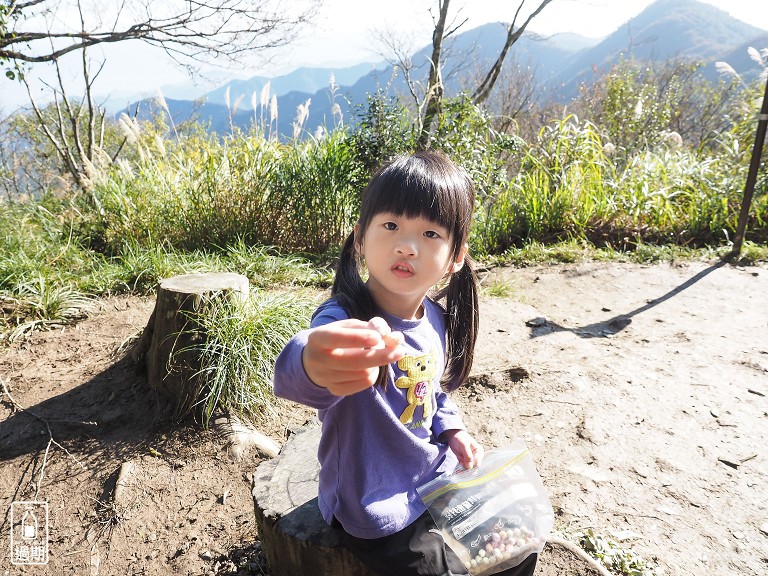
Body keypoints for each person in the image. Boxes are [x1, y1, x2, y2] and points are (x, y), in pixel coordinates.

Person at [273, 150, 537, 576]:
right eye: (391, 225)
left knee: (516, 544)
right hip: (377, 503)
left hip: (435, 474)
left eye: (431, 233)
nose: (407, 245)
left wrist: (451, 428)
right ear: (361, 237)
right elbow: (296, 369)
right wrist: (311, 362)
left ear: (455, 257)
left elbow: (433, 390)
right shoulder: (345, 318)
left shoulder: (434, 317)